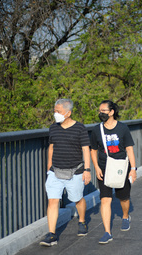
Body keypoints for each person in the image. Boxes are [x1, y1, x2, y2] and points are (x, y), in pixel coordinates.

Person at [40, 98, 91, 247]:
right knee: (52, 201)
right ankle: (52, 234)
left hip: (75, 171)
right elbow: (51, 147)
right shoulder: (53, 128)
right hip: (55, 171)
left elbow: (85, 150)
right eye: (55, 111)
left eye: (59, 111)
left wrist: (87, 170)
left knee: (77, 199)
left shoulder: (80, 128)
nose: (55, 114)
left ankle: (82, 221)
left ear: (68, 113)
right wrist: (49, 167)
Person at [90, 100, 137, 244]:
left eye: (104, 110)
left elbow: (129, 149)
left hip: (121, 168)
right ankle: (107, 232)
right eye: (100, 110)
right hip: (104, 168)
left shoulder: (123, 128)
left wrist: (133, 169)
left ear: (111, 112)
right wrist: (96, 167)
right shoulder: (97, 130)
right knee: (105, 199)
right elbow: (93, 150)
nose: (101, 113)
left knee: (123, 198)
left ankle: (124, 216)